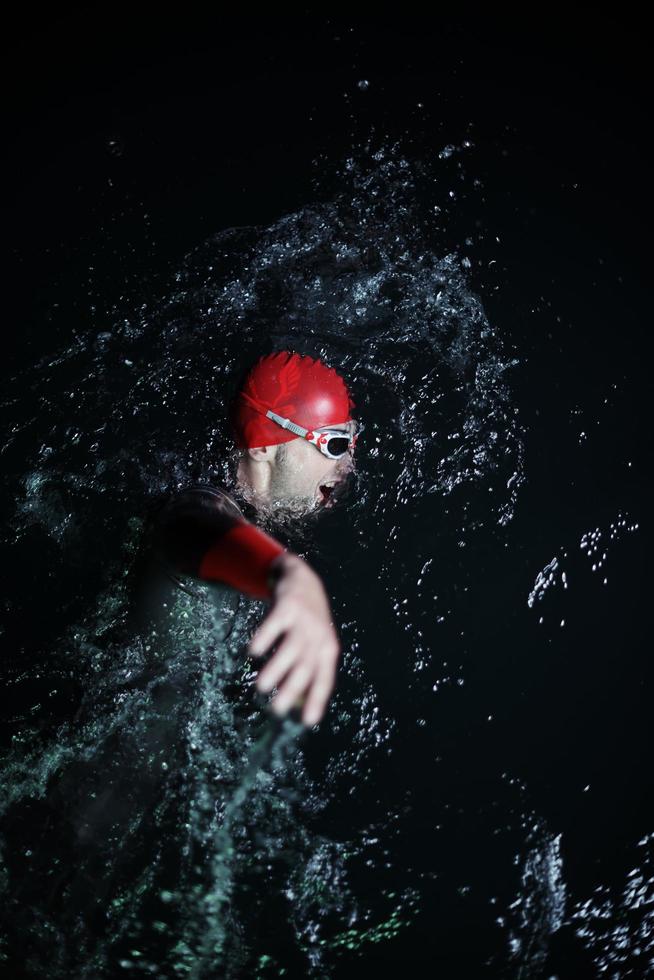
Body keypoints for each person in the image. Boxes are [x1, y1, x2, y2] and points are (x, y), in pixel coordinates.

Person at [134, 349, 363, 729]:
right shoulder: (199, 505)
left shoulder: (255, 517)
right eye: (334, 444)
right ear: (262, 449)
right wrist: (284, 573)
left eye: (352, 439)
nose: (348, 463)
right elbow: (189, 529)